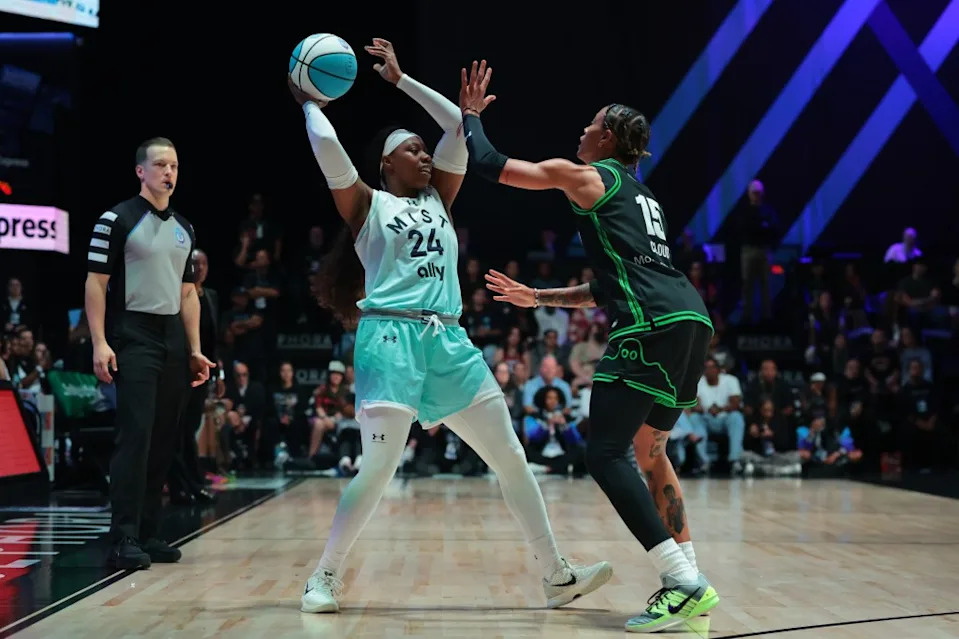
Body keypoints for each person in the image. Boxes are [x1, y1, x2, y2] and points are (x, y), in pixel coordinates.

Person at [290, 41, 611, 614]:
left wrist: (402, 79)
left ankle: (556, 574)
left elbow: (458, 129)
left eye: (424, 150)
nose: (425, 156)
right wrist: (309, 100)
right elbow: (329, 149)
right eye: (413, 151)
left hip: (449, 341)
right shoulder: (367, 204)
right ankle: (324, 576)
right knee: (380, 468)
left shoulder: (441, 197)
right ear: (387, 164)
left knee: (510, 457)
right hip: (389, 340)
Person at [463, 63, 718, 631]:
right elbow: (604, 286)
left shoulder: (587, 175)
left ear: (607, 139)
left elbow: (489, 165)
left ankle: (682, 583)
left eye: (590, 125)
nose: (581, 131)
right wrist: (536, 296)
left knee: (604, 452)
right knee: (652, 456)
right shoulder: (641, 196)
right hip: (691, 317)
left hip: (650, 323)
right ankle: (690, 584)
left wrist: (471, 117)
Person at [84, 137, 214, 569]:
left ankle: (149, 531)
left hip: (172, 336)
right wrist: (100, 342)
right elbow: (96, 283)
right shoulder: (115, 219)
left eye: (174, 165)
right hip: (133, 332)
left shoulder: (185, 228)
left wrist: (195, 349)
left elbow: (189, 295)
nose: (169, 173)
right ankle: (122, 536)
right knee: (135, 435)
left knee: (165, 437)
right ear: (140, 171)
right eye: (160, 164)